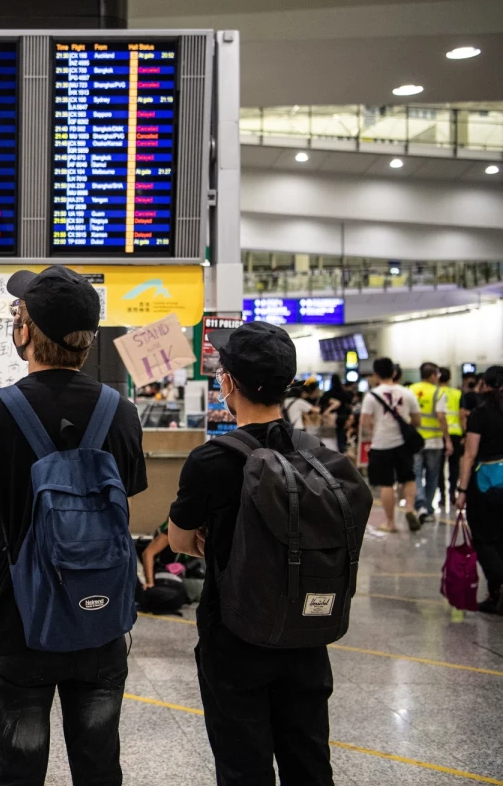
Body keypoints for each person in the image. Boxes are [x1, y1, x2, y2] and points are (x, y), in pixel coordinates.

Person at [0, 265, 147, 786]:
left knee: (18, 768)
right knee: (98, 765)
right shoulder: (121, 412)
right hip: (101, 617)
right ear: (88, 338)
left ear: (25, 332)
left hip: (22, 622)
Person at [167, 322, 338, 785]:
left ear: (227, 383)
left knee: (243, 767)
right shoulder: (315, 453)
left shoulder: (211, 460)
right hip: (305, 634)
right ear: (288, 383)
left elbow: (180, 541)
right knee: (309, 762)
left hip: (234, 635)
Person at [455, 366, 503, 613]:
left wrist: (462, 490)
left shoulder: (480, 414)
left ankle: (499, 584)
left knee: (484, 540)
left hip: (485, 485)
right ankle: (495, 596)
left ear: (485, 385)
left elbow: (470, 454)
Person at [361, 358, 422, 532]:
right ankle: (409, 509)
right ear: (394, 373)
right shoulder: (407, 393)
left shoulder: (371, 395)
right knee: (408, 478)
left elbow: (364, 422)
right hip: (404, 445)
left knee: (386, 484)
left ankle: (390, 523)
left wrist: (374, 430)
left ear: (376, 374)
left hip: (381, 444)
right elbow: (417, 420)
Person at [409, 362, 451, 522]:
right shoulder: (438, 392)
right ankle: (428, 507)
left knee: (416, 474)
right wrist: (448, 440)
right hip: (434, 441)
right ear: (432, 375)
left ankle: (420, 506)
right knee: (432, 476)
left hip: (415, 441)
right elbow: (441, 417)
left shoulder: (410, 390)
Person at [441, 368, 464, 512]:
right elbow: (461, 415)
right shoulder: (457, 393)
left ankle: (442, 496)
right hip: (455, 432)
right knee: (454, 466)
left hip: (439, 434)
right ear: (449, 378)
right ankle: (452, 493)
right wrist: (464, 433)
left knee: (439, 468)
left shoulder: (436, 392)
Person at [321, 378, 355, 454]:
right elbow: (349, 406)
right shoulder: (345, 394)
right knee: (341, 435)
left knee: (330, 438)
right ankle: (342, 451)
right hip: (344, 416)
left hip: (332, 418)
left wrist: (327, 411)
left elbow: (336, 403)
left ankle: (333, 453)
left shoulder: (328, 394)